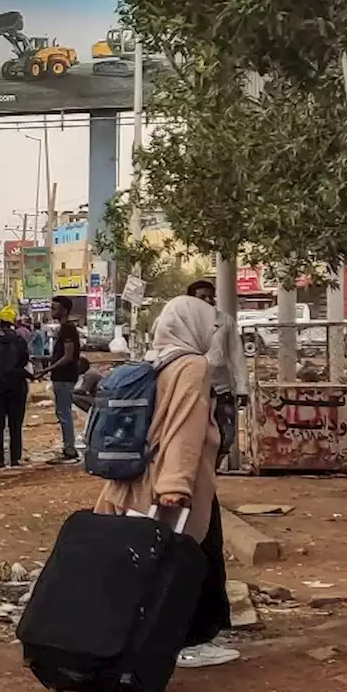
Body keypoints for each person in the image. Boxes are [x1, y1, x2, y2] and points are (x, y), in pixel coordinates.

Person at [93, 295, 237, 669]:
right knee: (186, 558)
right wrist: (177, 486)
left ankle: (148, 633)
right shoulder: (192, 366)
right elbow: (184, 428)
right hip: (173, 483)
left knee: (170, 557)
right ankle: (190, 640)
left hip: (140, 479)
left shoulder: (156, 359)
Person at [187, 280, 249, 469]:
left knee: (226, 437)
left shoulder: (225, 321)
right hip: (191, 389)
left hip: (221, 389)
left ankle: (210, 473)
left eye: (210, 296)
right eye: (201, 297)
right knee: (193, 439)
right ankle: (199, 486)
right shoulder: (182, 321)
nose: (207, 300)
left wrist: (242, 388)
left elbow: (237, 355)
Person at [0, 306, 32, 469]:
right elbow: (24, 361)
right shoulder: (19, 341)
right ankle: (15, 459)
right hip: (17, 386)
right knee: (15, 425)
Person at [36, 296, 84, 462]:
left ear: (64, 310)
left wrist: (47, 369)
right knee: (62, 412)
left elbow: (68, 356)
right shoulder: (64, 329)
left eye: (55, 308)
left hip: (64, 377)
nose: (52, 311)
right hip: (61, 377)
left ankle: (69, 450)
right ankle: (68, 447)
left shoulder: (67, 329)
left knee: (64, 413)